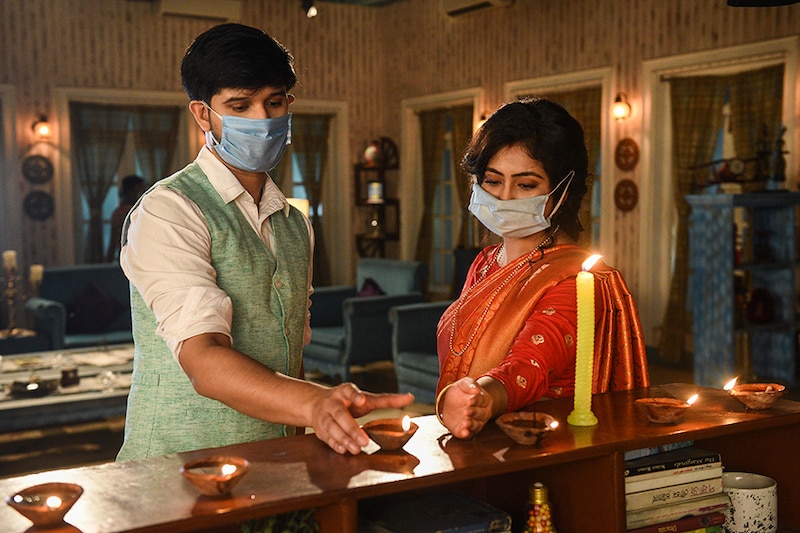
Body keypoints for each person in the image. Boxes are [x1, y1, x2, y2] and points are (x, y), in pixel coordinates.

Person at [117, 23, 413, 460]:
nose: (262, 120)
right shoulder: (169, 210)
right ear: (203, 115)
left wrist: (315, 422)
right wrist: (314, 402)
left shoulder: (295, 222)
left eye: (273, 103)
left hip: (277, 464)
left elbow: (290, 349)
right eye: (240, 105)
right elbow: (204, 360)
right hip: (177, 468)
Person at [435, 98, 649, 440]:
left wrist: (483, 399)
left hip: (542, 447)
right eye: (492, 180)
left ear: (563, 190)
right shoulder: (485, 262)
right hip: (473, 443)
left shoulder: (577, 278)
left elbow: (530, 364)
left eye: (526, 185)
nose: (504, 197)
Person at [106, 174, 146, 262]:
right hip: (134, 260)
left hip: (127, 260)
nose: (144, 193)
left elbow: (112, 244)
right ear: (134, 190)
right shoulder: (133, 213)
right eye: (141, 189)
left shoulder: (119, 212)